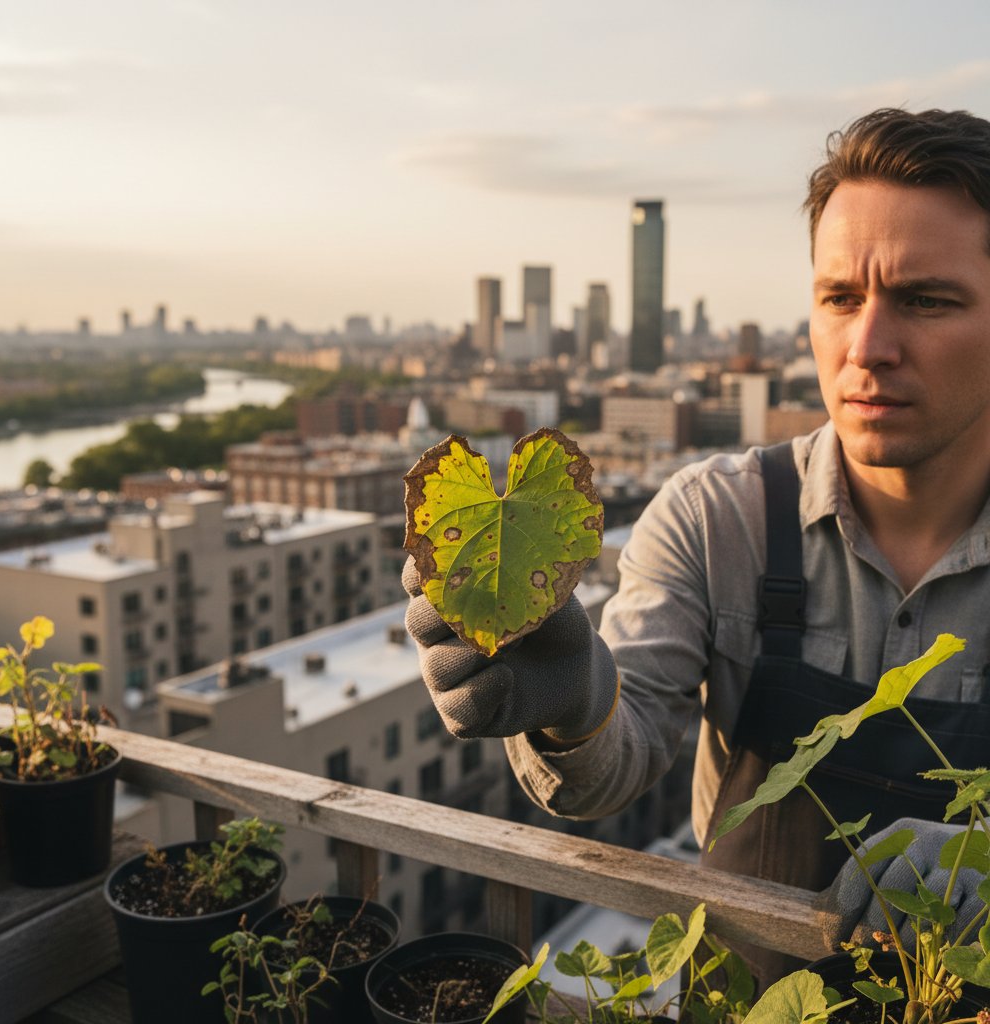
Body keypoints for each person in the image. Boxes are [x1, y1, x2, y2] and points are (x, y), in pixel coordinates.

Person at [403, 107, 990, 982]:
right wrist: (569, 692)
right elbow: (613, 763)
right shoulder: (720, 518)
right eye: (838, 298)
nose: (867, 347)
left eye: (925, 300)